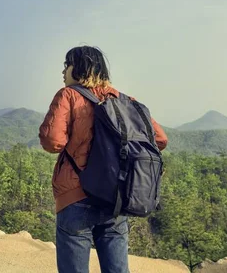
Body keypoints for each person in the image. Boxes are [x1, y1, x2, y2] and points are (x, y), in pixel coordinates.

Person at [39, 45, 168, 273]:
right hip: (115, 197)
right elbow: (160, 139)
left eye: (66, 65)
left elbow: (52, 141)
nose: (63, 71)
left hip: (76, 196)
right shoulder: (126, 100)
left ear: (79, 67)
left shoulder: (68, 95)